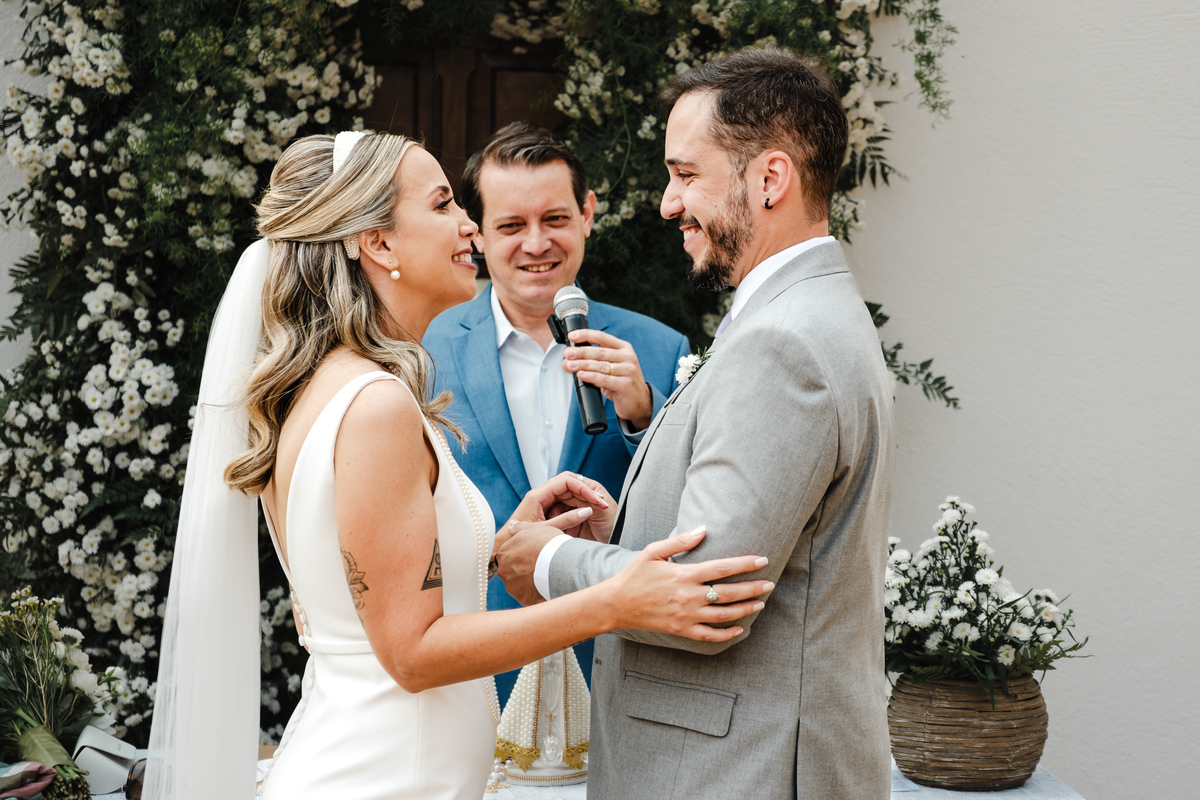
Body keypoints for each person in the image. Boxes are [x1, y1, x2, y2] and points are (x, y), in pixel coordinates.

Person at [144, 131, 775, 800]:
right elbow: (412, 654)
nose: (469, 225)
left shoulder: (335, 383)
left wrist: (500, 547)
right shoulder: (376, 405)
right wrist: (612, 600)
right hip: (383, 781)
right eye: (443, 204)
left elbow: (370, 593)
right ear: (379, 244)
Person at [497, 48, 895, 798]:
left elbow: (704, 596)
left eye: (685, 175)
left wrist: (548, 560)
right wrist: (628, 533)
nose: (667, 204)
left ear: (770, 179)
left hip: (735, 772)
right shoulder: (805, 315)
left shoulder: (784, 343)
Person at [423, 121, 690, 702]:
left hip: (616, 667)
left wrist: (642, 416)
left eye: (555, 219)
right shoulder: (424, 351)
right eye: (511, 226)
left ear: (587, 213)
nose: (537, 243)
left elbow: (689, 516)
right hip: (477, 667)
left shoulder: (662, 349)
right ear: (477, 233)